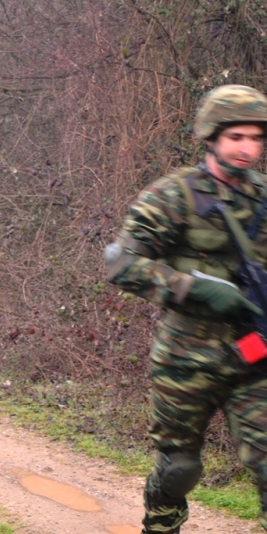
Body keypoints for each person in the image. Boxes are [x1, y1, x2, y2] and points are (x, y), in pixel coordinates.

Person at [105, 85, 267, 533]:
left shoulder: (265, 199)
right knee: (180, 469)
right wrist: (190, 287)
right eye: (237, 136)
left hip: (255, 354)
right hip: (185, 357)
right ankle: (162, 523)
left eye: (255, 138)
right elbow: (120, 262)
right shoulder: (175, 195)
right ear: (211, 137)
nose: (247, 148)